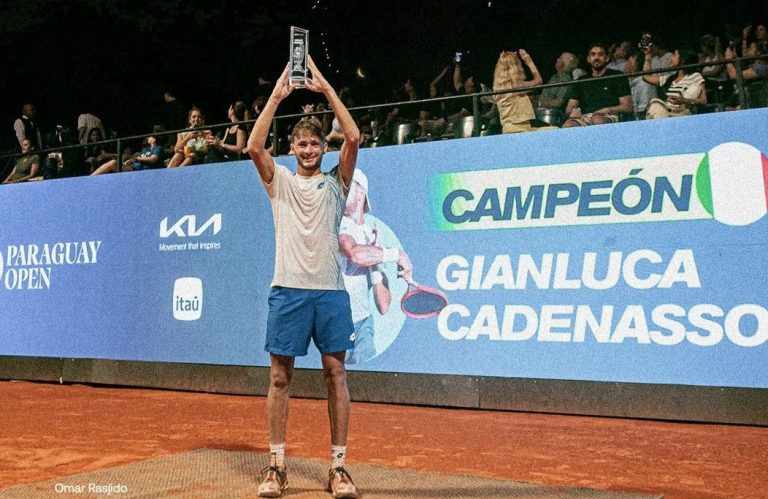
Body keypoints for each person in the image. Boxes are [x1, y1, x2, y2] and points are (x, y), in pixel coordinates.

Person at [247, 56, 361, 499]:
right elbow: (255, 147)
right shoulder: (280, 184)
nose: (309, 149)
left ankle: (338, 469)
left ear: (322, 148)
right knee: (279, 378)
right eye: (302, 144)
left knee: (336, 375)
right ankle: (276, 466)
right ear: (293, 150)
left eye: (315, 143)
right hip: (288, 290)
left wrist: (325, 89)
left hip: (330, 292)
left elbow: (353, 135)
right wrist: (279, 94)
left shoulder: (338, 182)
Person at [338, 169, 412, 364]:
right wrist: (396, 255)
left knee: (361, 379)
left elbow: (384, 305)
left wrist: (375, 265)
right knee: (336, 380)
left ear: (361, 193)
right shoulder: (339, 223)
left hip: (364, 323)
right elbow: (354, 254)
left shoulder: (372, 234)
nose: (339, 190)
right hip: (337, 322)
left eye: (346, 186)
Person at [562, 42, 633, 127]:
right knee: (568, 125)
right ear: (588, 59)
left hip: (609, 116)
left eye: (600, 54)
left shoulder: (617, 76)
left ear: (607, 58)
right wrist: (575, 111)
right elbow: (569, 108)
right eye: (593, 54)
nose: (596, 57)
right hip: (585, 117)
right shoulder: (581, 81)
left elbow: (627, 107)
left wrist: (607, 110)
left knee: (597, 120)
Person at [643, 46, 707, 119]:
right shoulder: (670, 78)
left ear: (682, 59)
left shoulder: (696, 76)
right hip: (666, 111)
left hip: (682, 113)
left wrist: (685, 100)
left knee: (655, 107)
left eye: (674, 55)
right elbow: (646, 77)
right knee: (654, 105)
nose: (671, 58)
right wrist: (647, 56)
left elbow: (704, 101)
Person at [493, 50, 545, 133]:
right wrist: (529, 62)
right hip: (519, 129)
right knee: (554, 129)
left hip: (508, 128)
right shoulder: (516, 86)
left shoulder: (497, 88)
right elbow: (539, 81)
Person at [90, 135, 163, 175]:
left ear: (154, 139)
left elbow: (153, 159)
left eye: (149, 137)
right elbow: (136, 158)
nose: (147, 138)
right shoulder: (145, 150)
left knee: (113, 163)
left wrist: (136, 159)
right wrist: (130, 160)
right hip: (133, 167)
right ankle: (90, 178)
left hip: (140, 171)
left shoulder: (158, 148)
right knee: (113, 162)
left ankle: (90, 180)